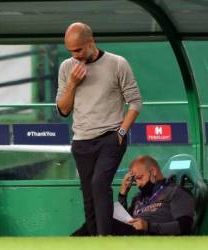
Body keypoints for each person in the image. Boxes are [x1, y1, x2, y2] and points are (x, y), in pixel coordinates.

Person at [56, 22, 142, 235]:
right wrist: (73, 84)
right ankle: (94, 238)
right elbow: (63, 110)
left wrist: (121, 132)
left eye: (78, 50)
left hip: (111, 137)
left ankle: (105, 239)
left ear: (91, 41)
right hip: (81, 140)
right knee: (88, 192)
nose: (74, 55)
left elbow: (136, 102)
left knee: (99, 184)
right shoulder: (67, 67)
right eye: (70, 51)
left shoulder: (117, 63)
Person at [72, 155, 195, 236]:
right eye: (135, 181)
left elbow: (184, 227)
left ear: (153, 171)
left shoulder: (176, 192)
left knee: (105, 223)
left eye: (140, 178)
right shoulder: (139, 197)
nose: (139, 184)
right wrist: (123, 193)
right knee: (98, 220)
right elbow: (124, 219)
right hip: (131, 235)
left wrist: (149, 226)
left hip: (152, 236)